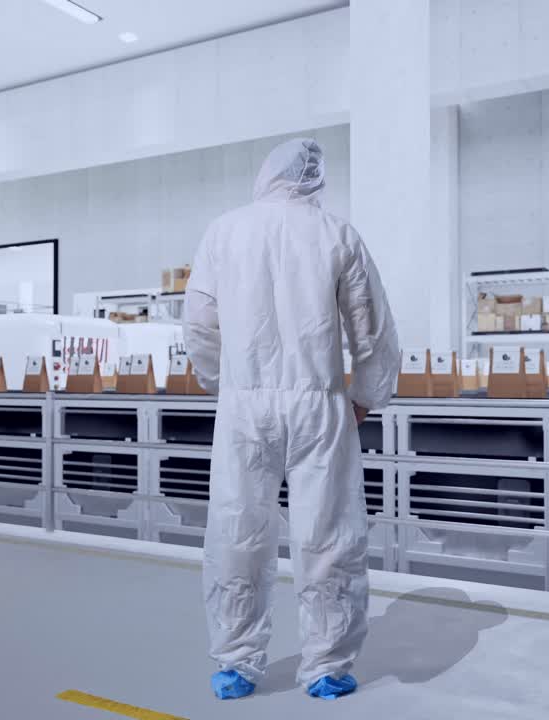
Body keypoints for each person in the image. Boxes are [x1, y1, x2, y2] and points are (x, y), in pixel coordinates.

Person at [183, 137, 401, 701]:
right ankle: (327, 665)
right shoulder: (337, 234)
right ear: (314, 180)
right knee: (327, 535)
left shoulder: (224, 231)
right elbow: (370, 326)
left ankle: (235, 662)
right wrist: (365, 396)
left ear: (265, 175)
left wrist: (221, 383)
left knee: (237, 529)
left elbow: (200, 324)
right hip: (319, 405)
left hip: (245, 405)